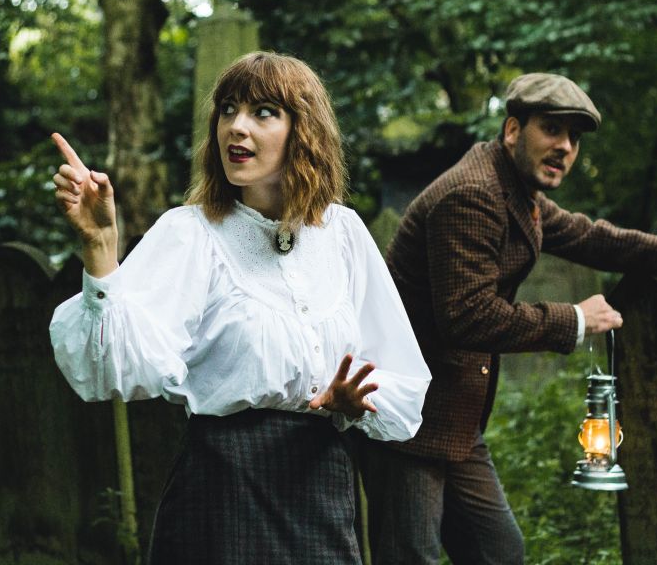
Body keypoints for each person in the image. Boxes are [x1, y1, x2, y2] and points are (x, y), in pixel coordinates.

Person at [359, 72, 657, 565]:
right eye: (551, 129)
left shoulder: (513, 190)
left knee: (499, 552)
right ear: (512, 130)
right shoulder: (473, 194)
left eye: (574, 137)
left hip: (454, 417)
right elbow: (468, 317)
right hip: (407, 420)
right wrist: (573, 318)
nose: (565, 147)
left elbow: (588, 236)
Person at [48, 51, 431, 564]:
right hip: (223, 489)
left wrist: (353, 400)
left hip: (321, 482)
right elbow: (112, 367)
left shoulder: (343, 234)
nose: (237, 127)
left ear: (305, 129)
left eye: (263, 112)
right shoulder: (192, 232)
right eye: (228, 110)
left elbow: (399, 373)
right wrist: (100, 248)